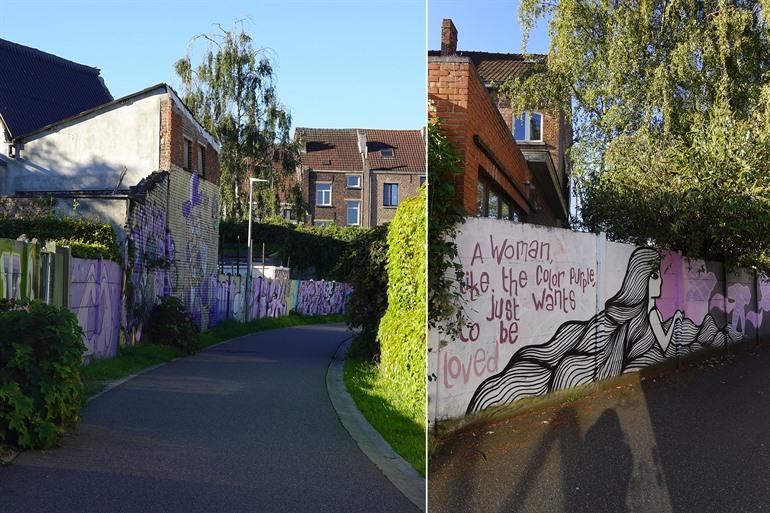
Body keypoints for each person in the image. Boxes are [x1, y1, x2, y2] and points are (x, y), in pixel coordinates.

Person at [467, 248, 738, 414]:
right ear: (642, 279)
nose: (660, 282)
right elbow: (667, 348)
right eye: (655, 275)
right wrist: (676, 322)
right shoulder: (651, 314)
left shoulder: (636, 317)